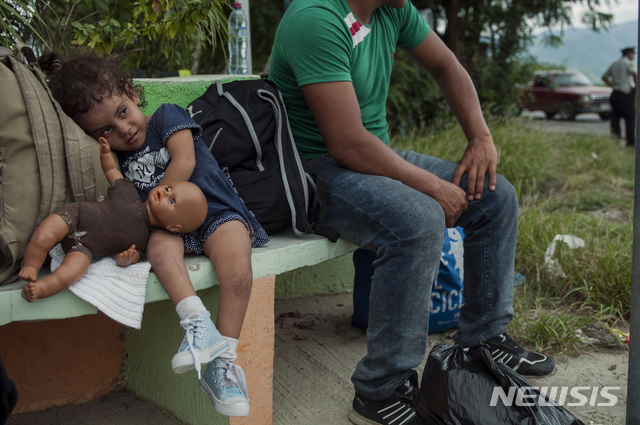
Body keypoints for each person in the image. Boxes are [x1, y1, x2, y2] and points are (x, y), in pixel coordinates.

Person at [268, 0, 555, 424]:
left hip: (374, 156)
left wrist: (480, 135)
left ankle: (483, 341)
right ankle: (379, 390)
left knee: (495, 197)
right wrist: (432, 186)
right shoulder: (316, 18)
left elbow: (446, 66)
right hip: (315, 170)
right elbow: (345, 142)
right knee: (418, 221)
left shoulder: (391, 10)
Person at [40, 52, 269, 418]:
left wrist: (146, 210)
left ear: (131, 94)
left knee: (238, 275)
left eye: (122, 112)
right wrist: (135, 248)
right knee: (162, 254)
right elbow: (124, 213)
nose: (123, 130)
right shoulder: (119, 160)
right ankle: (197, 325)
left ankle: (221, 366)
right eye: (105, 131)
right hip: (164, 228)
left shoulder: (166, 117)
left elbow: (185, 163)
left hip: (213, 210)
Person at [19, 137, 208, 302]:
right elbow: (111, 169)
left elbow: (123, 260)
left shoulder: (143, 240)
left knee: (72, 272)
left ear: (173, 227)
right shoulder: (128, 190)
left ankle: (40, 289)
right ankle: (30, 265)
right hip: (75, 216)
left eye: (172, 201)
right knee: (45, 235)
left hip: (86, 249)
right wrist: (106, 153)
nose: (165, 193)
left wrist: (126, 258)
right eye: (168, 189)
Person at [602, 46, 637, 147]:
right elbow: (635, 74)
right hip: (625, 94)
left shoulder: (615, 64)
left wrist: (613, 84)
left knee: (615, 119)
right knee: (630, 118)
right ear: (629, 54)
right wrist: (635, 89)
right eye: (633, 54)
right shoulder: (628, 63)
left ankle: (615, 141)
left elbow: (604, 77)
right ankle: (630, 142)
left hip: (615, 93)